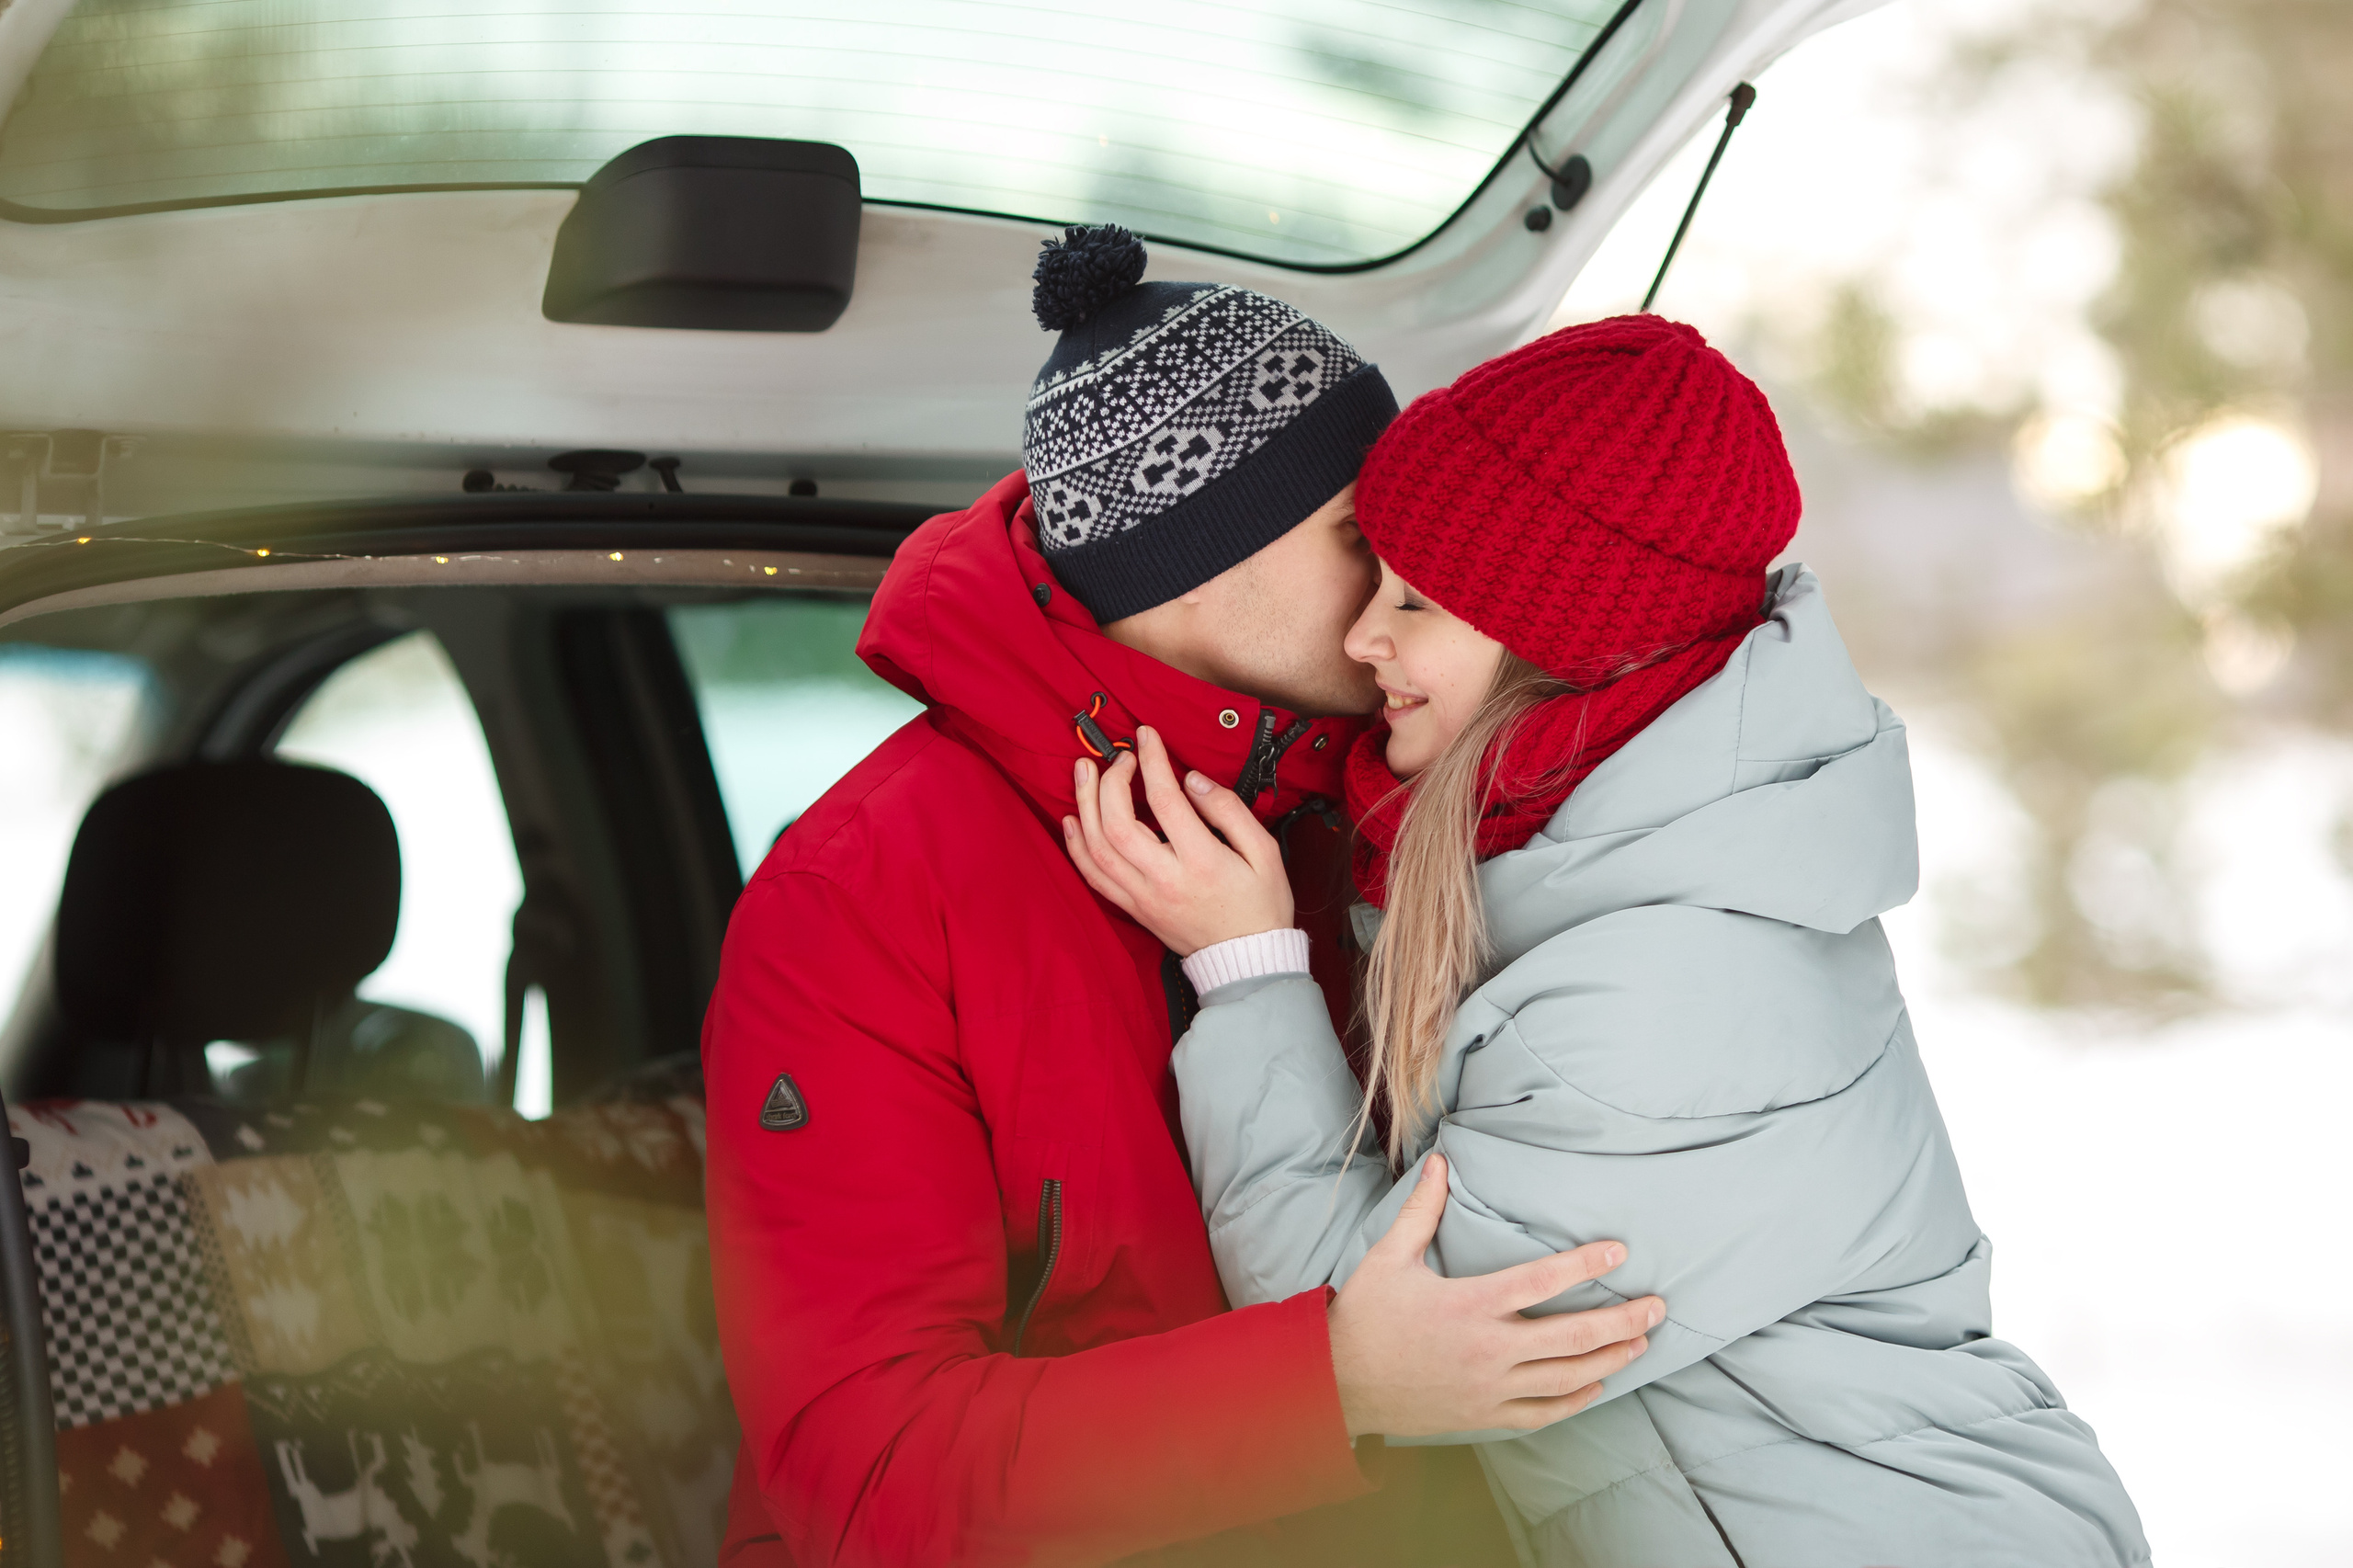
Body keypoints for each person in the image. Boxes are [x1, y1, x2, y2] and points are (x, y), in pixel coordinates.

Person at [1066, 315, 2153, 1565]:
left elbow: (1354, 1328)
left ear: (1555, 642)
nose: (1365, 638)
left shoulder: (1664, 989)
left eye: (1414, 598)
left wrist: (1250, 970)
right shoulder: (1596, 884)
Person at [700, 227, 1660, 1568]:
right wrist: (1331, 1385)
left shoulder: (1411, 796)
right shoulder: (863, 893)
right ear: (1200, 562)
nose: (1408, 570)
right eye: (1357, 531)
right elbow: (869, 1477)